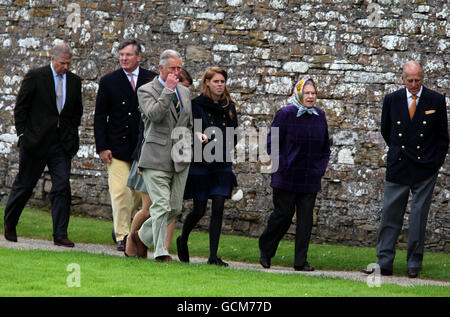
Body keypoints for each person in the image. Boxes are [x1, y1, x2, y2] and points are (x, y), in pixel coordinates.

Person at [362, 61, 448, 278]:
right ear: (402, 79)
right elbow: (386, 130)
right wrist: (398, 152)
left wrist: (434, 164)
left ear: (423, 78)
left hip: (424, 168)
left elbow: (442, 137)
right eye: (409, 80)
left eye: (417, 80)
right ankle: (384, 262)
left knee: (418, 217)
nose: (413, 84)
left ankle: (414, 262)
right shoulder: (392, 100)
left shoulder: (435, 100)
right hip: (399, 164)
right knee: (390, 215)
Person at [3, 42, 83, 247]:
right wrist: (23, 135)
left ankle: (60, 234)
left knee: (62, 186)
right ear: (52, 59)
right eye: (63, 63)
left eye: (69, 63)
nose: (66, 67)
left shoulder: (74, 81)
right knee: (25, 185)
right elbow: (21, 109)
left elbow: (76, 112)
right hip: (35, 142)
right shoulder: (36, 77)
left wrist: (72, 137)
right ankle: (10, 224)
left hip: (61, 144)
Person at [126, 49, 192, 262]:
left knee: (174, 208)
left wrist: (193, 137)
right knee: (161, 205)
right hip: (155, 156)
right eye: (172, 68)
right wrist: (168, 91)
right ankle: (161, 251)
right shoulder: (146, 90)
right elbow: (154, 115)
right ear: (161, 68)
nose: (176, 72)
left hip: (181, 156)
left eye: (179, 68)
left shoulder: (185, 92)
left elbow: (187, 122)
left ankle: (139, 237)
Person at [258, 78, 330, 271]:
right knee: (283, 216)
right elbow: (272, 144)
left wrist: (319, 169)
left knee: (306, 221)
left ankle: (300, 261)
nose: (311, 96)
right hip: (286, 176)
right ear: (298, 93)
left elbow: (325, 147)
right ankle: (266, 250)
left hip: (309, 178)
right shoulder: (285, 114)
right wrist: (283, 165)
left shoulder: (320, 116)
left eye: (313, 93)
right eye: (307, 93)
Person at [94, 39, 157, 251]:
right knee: (120, 192)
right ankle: (122, 237)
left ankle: (132, 232)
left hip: (143, 150)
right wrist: (102, 147)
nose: (123, 58)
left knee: (140, 196)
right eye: (121, 54)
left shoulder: (152, 79)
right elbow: (100, 116)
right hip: (117, 149)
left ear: (139, 57)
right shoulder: (109, 81)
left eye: (128, 55)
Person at [176, 67, 238, 267]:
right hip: (200, 161)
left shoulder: (229, 106)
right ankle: (183, 238)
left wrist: (225, 143)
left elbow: (234, 133)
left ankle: (213, 255)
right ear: (207, 83)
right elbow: (187, 129)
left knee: (219, 205)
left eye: (223, 81)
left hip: (221, 161)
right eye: (216, 81)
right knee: (200, 208)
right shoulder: (195, 105)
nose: (220, 85)